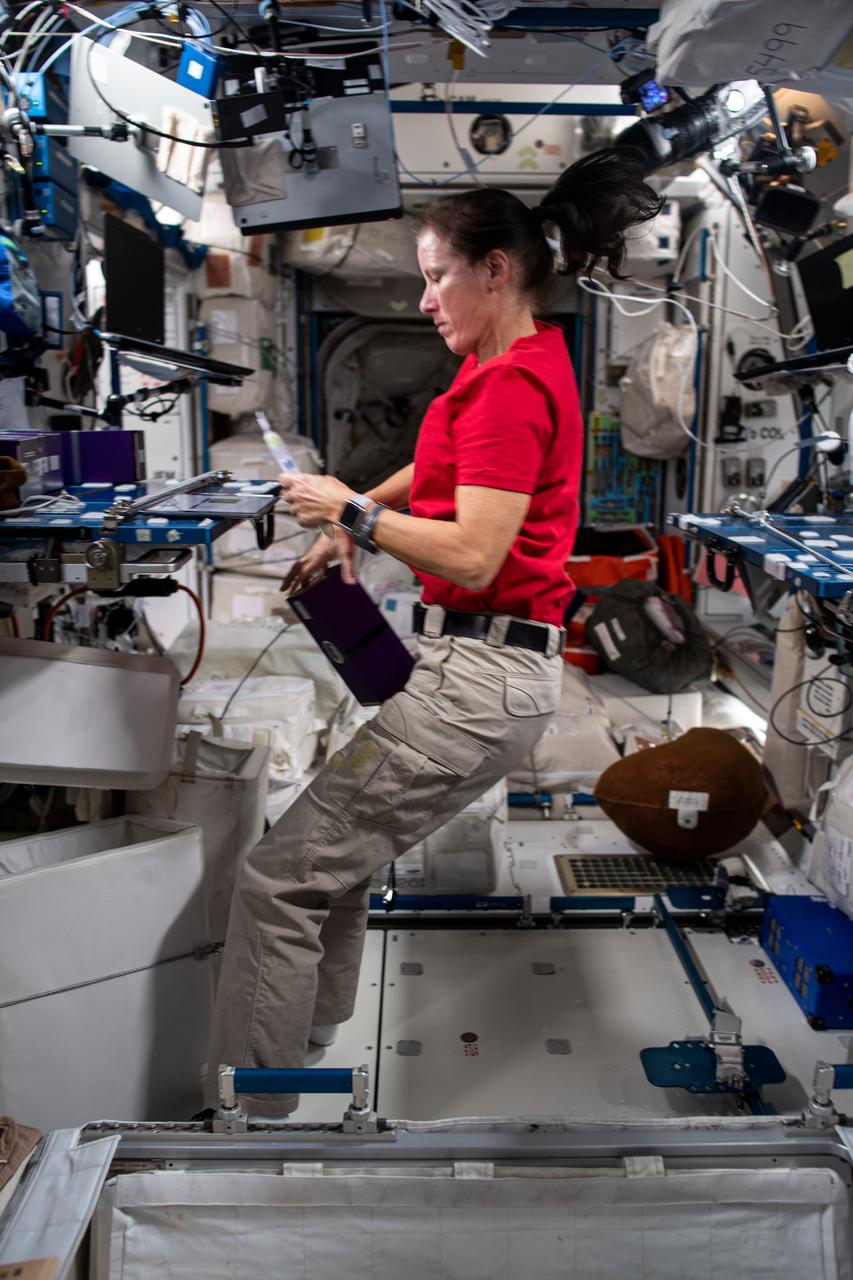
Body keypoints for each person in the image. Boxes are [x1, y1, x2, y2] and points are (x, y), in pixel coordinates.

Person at [203, 146, 662, 1117]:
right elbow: (435, 466)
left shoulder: (508, 388)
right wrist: (348, 516)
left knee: (275, 879)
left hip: (479, 678)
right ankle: (306, 1045)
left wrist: (350, 514)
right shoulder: (506, 367)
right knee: (337, 862)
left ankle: (250, 1111)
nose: (423, 302)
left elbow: (477, 553)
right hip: (478, 669)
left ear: (494, 270)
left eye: (436, 276)